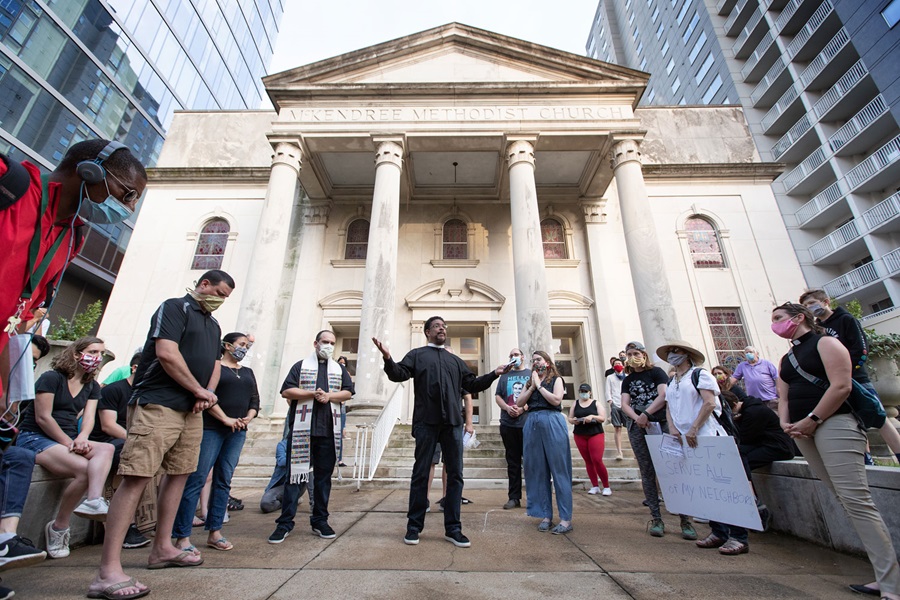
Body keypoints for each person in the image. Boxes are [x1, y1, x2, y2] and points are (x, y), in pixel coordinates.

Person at [88, 270, 234, 600]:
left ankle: (163, 547)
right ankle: (107, 570)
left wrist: (206, 393)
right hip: (158, 403)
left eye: (226, 298)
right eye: (218, 292)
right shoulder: (174, 308)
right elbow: (167, 353)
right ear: (204, 284)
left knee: (181, 475)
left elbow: (213, 365)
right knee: (137, 477)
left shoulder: (213, 325)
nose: (220, 300)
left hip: (192, 410)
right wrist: (197, 389)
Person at [772, 302, 900, 599]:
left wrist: (813, 419)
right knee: (843, 499)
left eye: (779, 318)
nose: (775, 324)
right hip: (801, 432)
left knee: (857, 500)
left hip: (835, 424)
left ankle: (892, 586)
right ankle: (883, 575)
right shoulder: (788, 357)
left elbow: (841, 386)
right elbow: (784, 395)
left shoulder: (827, 343)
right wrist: (785, 422)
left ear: (798, 317)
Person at [0, 140, 147, 397]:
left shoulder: (72, 237)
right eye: (129, 195)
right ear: (91, 171)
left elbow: (19, 321)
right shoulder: (7, 183)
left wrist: (8, 393)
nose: (130, 208)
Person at [374, 316, 508, 548]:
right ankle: (414, 527)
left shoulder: (455, 361)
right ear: (427, 332)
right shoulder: (417, 355)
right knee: (421, 474)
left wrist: (494, 373)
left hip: (453, 425)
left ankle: (453, 528)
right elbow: (399, 374)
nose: (442, 328)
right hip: (426, 422)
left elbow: (473, 385)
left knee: (455, 474)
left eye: (444, 326)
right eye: (436, 326)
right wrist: (387, 357)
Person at [13, 336, 114, 558]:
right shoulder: (51, 378)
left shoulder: (91, 386)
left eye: (101, 354)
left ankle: (94, 500)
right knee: (83, 469)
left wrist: (83, 437)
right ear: (77, 354)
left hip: (67, 438)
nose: (97, 358)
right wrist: (69, 443)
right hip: (35, 438)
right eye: (93, 352)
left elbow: (89, 418)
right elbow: (42, 417)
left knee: (107, 449)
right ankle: (59, 526)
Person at [657, 340, 748, 555]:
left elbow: (709, 403)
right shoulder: (673, 381)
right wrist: (673, 429)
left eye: (676, 351)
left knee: (723, 487)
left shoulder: (700, 374)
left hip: (707, 436)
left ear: (687, 354)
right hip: (686, 440)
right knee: (705, 488)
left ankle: (739, 536)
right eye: (669, 352)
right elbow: (670, 406)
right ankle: (718, 531)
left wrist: (694, 428)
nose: (672, 355)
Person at [174, 332, 258, 552]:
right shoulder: (215, 368)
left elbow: (254, 400)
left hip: (237, 430)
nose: (244, 348)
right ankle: (182, 536)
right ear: (228, 346)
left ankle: (215, 531)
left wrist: (248, 417)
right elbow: (207, 396)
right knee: (198, 478)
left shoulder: (247, 372)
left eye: (246, 345)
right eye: (241, 344)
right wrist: (225, 418)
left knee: (223, 480)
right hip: (212, 428)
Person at [268, 330, 353, 544]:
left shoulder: (339, 368)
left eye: (332, 343)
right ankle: (285, 523)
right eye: (325, 342)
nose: (329, 346)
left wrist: (329, 396)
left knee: (323, 480)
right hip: (302, 431)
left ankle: (320, 521)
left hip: (327, 432)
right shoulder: (300, 366)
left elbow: (348, 393)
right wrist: (311, 394)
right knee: (294, 478)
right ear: (316, 343)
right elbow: (287, 391)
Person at [800, 289, 900, 465]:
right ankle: (866, 459)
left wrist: (845, 372)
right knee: (855, 422)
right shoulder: (816, 330)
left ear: (825, 301)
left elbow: (861, 350)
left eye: (812, 303)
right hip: (833, 384)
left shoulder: (846, 320)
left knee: (880, 419)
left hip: (857, 379)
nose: (810, 307)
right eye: (806, 306)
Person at [620, 340, 696, 540]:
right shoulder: (627, 380)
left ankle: (685, 520)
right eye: (628, 354)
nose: (632, 357)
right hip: (638, 427)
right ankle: (656, 517)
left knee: (672, 470)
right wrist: (637, 418)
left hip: (660, 423)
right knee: (647, 472)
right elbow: (625, 404)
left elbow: (664, 395)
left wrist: (646, 413)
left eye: (635, 352)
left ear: (644, 354)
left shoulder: (657, 373)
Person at [88, 352, 150, 549]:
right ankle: (126, 527)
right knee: (137, 461)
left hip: (129, 442)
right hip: (107, 443)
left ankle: (146, 521)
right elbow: (108, 425)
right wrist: (136, 440)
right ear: (135, 368)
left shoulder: (144, 393)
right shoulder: (114, 390)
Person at [515, 351, 573, 534]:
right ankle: (545, 514)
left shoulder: (556, 380)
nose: (535, 363)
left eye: (538, 360)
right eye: (533, 361)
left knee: (559, 469)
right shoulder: (530, 383)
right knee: (537, 470)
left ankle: (565, 518)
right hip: (532, 422)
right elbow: (519, 402)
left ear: (547, 362)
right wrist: (532, 386)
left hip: (552, 420)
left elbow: (556, 399)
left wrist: (539, 386)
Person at [494, 347, 529, 509]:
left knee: (530, 462)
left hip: (526, 424)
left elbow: (535, 395)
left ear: (522, 357)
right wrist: (508, 409)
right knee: (513, 463)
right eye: (511, 355)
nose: (513, 357)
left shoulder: (529, 375)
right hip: (508, 424)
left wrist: (522, 409)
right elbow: (498, 396)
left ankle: (534, 497)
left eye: (516, 354)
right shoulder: (505, 375)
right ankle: (514, 497)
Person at [568, 383, 610, 496]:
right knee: (588, 461)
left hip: (595, 433)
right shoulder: (575, 403)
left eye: (585, 391)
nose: (583, 393)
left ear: (590, 392)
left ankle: (606, 486)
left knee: (597, 459)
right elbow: (570, 418)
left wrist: (592, 417)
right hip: (580, 433)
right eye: (581, 391)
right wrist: (574, 420)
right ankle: (595, 485)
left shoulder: (596, 403)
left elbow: (602, 418)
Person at [605, 358, 626, 460]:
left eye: (619, 363)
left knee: (631, 428)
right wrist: (610, 401)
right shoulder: (610, 377)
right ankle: (619, 451)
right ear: (613, 367)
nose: (618, 365)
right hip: (615, 404)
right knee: (617, 428)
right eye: (616, 364)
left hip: (626, 404)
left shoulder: (627, 377)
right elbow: (608, 390)